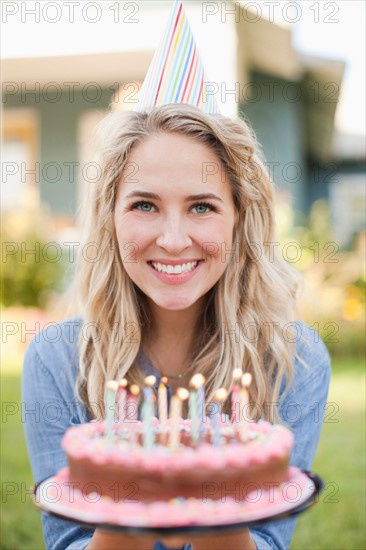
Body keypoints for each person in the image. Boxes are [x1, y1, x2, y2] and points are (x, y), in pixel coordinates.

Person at [22, 103, 331, 550]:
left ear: (239, 218)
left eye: (202, 206)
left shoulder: (294, 358)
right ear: (110, 216)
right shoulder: (56, 357)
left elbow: (268, 539)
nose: (172, 239)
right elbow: (67, 540)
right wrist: (129, 493)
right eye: (144, 204)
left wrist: (212, 496)